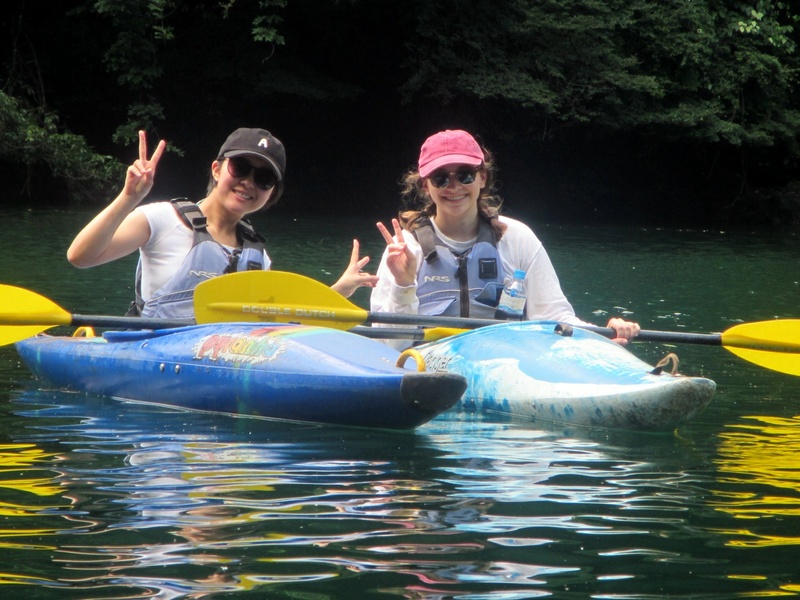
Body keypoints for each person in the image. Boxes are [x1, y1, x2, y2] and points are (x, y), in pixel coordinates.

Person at [67, 128, 378, 318]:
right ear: (217, 169)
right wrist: (128, 197)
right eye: (240, 167)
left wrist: (337, 291)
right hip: (152, 353)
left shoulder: (258, 257)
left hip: (219, 361)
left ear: (271, 195)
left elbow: (279, 320)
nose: (248, 182)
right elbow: (80, 257)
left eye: (264, 178)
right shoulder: (161, 219)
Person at [371, 129, 640, 347]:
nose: (454, 187)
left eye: (465, 175)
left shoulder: (518, 239)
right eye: (440, 178)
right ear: (425, 186)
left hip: (505, 362)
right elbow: (389, 345)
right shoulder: (404, 249)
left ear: (482, 177)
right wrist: (403, 285)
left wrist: (604, 334)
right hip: (428, 369)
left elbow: (555, 318)